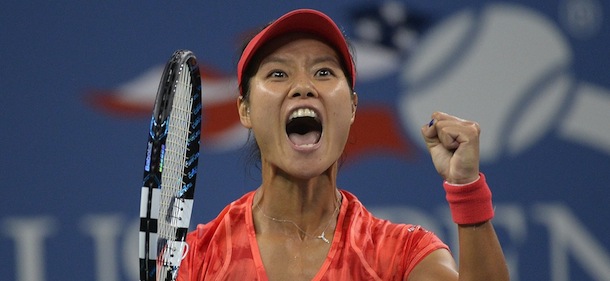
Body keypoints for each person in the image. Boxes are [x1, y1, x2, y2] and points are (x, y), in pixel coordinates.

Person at [177, 8, 509, 281]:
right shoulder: (198, 259)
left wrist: (467, 191)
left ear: (351, 107)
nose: (303, 87)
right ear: (244, 109)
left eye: (323, 72)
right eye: (278, 74)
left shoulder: (401, 254)